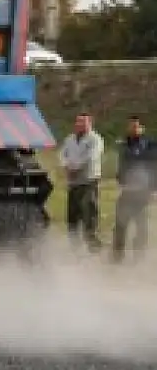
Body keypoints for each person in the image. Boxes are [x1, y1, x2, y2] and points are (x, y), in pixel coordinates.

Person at [59, 112, 104, 252]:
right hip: (73, 183)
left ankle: (93, 248)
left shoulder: (95, 139)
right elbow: (62, 154)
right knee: (72, 216)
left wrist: (76, 167)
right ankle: (74, 249)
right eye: (78, 122)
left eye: (83, 122)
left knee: (88, 214)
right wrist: (66, 166)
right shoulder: (70, 139)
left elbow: (91, 157)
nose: (79, 125)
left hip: (88, 182)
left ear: (89, 123)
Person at [111, 116, 155, 264]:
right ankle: (117, 256)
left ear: (142, 128)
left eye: (136, 126)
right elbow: (121, 164)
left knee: (141, 225)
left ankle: (139, 257)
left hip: (143, 191)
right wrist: (120, 178)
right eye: (131, 126)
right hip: (127, 190)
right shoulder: (124, 144)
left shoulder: (150, 145)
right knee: (120, 223)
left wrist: (153, 189)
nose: (134, 129)